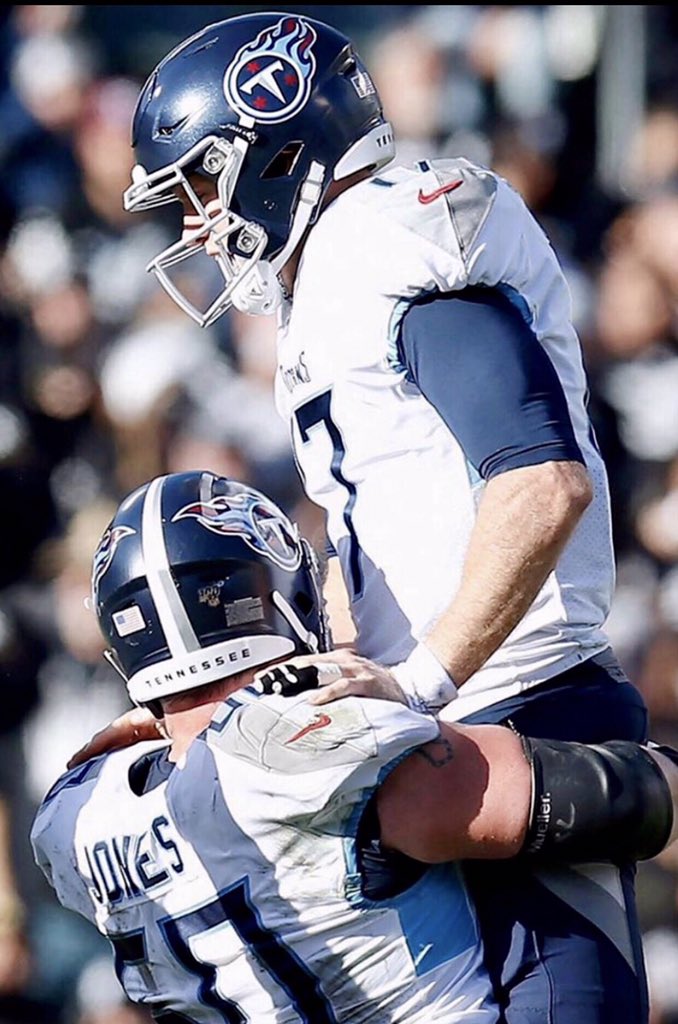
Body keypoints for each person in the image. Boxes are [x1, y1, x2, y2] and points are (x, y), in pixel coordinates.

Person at [116, 11, 652, 1022]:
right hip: (441, 726)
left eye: (200, 182)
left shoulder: (393, 236)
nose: (194, 223)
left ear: (273, 143)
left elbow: (542, 481)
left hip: (513, 709)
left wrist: (419, 676)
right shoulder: (332, 277)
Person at [30, 470, 678, 1022]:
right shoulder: (299, 749)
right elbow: (615, 800)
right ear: (277, 593)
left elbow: (197, 792)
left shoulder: (72, 817)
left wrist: (174, 726)